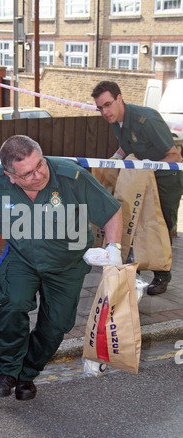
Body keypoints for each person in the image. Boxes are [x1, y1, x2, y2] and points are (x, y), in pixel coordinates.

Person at [0, 135, 123, 400]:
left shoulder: (70, 176)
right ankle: (6, 372)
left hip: (67, 264)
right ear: (10, 175)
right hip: (22, 259)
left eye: (40, 165)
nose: (39, 175)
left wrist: (114, 248)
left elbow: (110, 211)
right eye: (28, 173)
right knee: (13, 306)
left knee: (57, 325)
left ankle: (26, 373)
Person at [91, 80, 183, 295]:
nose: (104, 112)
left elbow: (174, 155)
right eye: (100, 107)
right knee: (136, 221)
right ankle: (136, 269)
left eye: (108, 104)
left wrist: (147, 169)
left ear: (119, 98)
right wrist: (113, 160)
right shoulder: (115, 119)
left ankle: (162, 275)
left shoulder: (146, 119)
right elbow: (128, 143)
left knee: (160, 226)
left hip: (166, 178)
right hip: (143, 178)